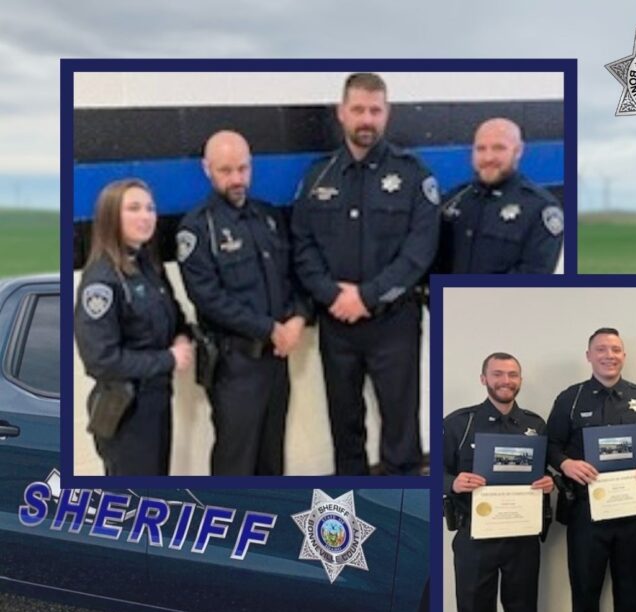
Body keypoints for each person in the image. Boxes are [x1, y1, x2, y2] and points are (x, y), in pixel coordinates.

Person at [291, 72, 439, 475]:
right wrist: (333, 296)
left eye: (375, 110)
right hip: (336, 323)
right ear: (342, 113)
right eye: (358, 109)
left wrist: (367, 296)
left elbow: (419, 251)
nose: (366, 119)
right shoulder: (318, 176)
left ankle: (406, 508)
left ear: (386, 114)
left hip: (395, 323)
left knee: (401, 427)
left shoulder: (413, 175)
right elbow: (301, 245)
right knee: (345, 425)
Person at [177, 130, 309, 476]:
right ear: (208, 169)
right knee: (235, 462)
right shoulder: (197, 228)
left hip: (275, 360)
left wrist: (297, 318)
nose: (236, 179)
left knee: (272, 459)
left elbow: (291, 276)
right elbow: (207, 297)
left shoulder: (267, 217)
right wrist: (269, 328)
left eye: (242, 169)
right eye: (225, 171)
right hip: (235, 365)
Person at [547, 328, 636, 612]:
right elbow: (550, 444)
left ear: (624, 355)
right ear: (589, 356)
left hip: (631, 511)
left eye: (615, 349)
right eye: (601, 349)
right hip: (586, 512)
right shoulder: (570, 399)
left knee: (631, 587)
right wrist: (566, 463)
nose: (609, 355)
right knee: (585, 590)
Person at [443, 353, 554, 612]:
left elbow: (545, 471)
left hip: (522, 536)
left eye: (513, 374)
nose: (506, 381)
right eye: (498, 374)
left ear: (520, 380)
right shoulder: (459, 424)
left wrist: (549, 481)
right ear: (483, 379)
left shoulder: (535, 425)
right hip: (475, 537)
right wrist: (454, 482)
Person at [74, 178, 192, 475]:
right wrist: (169, 359)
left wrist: (181, 336)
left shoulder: (148, 266)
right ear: (111, 216)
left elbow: (174, 316)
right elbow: (101, 360)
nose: (146, 216)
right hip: (126, 409)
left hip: (156, 400)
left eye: (150, 208)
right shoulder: (102, 280)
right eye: (134, 208)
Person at [437, 118, 563, 274]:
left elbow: (533, 278)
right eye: (481, 149)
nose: (488, 158)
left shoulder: (540, 209)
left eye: (499, 148)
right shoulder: (455, 200)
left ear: (518, 151)